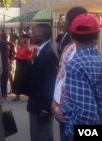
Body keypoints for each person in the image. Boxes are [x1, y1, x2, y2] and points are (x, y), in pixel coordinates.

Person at [61, 13, 102, 141]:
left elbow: (87, 113)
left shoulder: (75, 64)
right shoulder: (99, 59)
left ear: (72, 36)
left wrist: (70, 133)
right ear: (97, 35)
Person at [51, 6, 88, 141]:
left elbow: (69, 83)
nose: (65, 23)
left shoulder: (77, 51)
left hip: (72, 115)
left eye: (67, 19)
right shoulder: (71, 46)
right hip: (67, 113)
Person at [27, 23, 59, 141]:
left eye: (34, 33)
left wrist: (46, 107)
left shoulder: (49, 53)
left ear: (43, 34)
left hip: (41, 107)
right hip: (37, 104)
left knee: (41, 136)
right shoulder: (42, 50)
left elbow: (51, 82)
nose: (31, 35)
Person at [12, 33, 35, 101]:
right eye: (23, 38)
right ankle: (17, 95)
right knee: (18, 80)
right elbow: (18, 53)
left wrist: (26, 43)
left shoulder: (30, 46)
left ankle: (30, 96)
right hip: (20, 64)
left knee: (28, 80)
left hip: (26, 64)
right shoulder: (20, 46)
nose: (23, 40)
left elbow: (28, 50)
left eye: (25, 39)